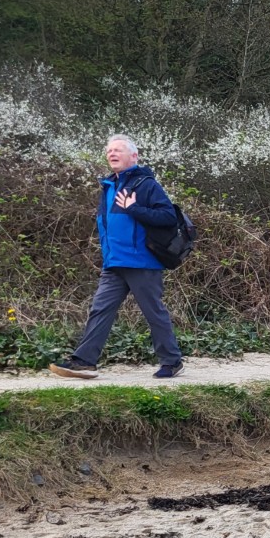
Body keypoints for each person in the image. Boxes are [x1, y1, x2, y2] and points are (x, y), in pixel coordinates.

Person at [50, 134, 184, 379]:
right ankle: (84, 361)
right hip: (114, 262)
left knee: (153, 312)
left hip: (141, 262)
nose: (112, 154)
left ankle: (171, 361)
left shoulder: (145, 184)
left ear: (134, 156)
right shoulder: (109, 185)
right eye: (109, 150)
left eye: (118, 150)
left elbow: (168, 217)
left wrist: (134, 208)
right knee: (100, 310)